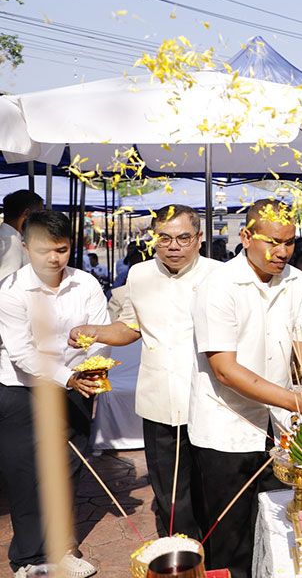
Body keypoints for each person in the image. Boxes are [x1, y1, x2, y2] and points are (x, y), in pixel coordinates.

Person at [68, 204, 219, 542]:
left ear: (199, 238)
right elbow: (130, 327)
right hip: (158, 397)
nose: (173, 246)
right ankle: (180, 553)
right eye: (164, 238)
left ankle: (212, 555)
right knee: (168, 491)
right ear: (153, 238)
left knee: (209, 485)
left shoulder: (220, 275)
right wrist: (95, 331)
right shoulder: (139, 275)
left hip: (208, 397)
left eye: (183, 238)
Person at [188, 199, 302, 577]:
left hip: (281, 427)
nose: (283, 252)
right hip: (226, 426)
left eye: (289, 242)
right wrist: (293, 399)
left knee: (279, 522)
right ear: (245, 237)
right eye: (273, 242)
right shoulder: (219, 285)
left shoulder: (296, 281)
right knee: (232, 538)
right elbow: (225, 370)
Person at [0, 210, 107, 578]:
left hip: (76, 387)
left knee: (68, 470)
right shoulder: (11, 291)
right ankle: (28, 559)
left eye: (61, 249)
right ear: (25, 247)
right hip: (22, 390)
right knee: (27, 477)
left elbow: (100, 333)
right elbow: (21, 353)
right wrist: (68, 377)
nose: (54, 258)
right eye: (44, 250)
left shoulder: (86, 283)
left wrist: (91, 369)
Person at [0, 190, 44, 282]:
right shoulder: (11, 244)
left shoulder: (8, 238)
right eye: (39, 214)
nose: (40, 220)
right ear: (26, 213)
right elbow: (7, 284)